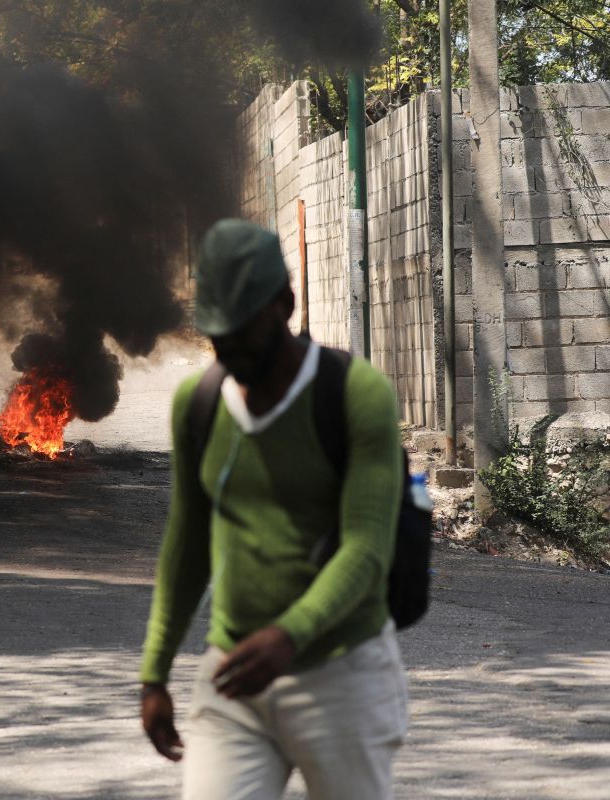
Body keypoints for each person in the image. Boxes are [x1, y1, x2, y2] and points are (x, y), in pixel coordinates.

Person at [139, 219, 408, 799]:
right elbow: (186, 544)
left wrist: (290, 634)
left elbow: (367, 549)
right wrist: (153, 674)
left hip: (342, 677)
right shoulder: (199, 403)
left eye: (241, 332)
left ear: (284, 304)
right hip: (235, 678)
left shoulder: (355, 394)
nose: (228, 350)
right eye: (216, 336)